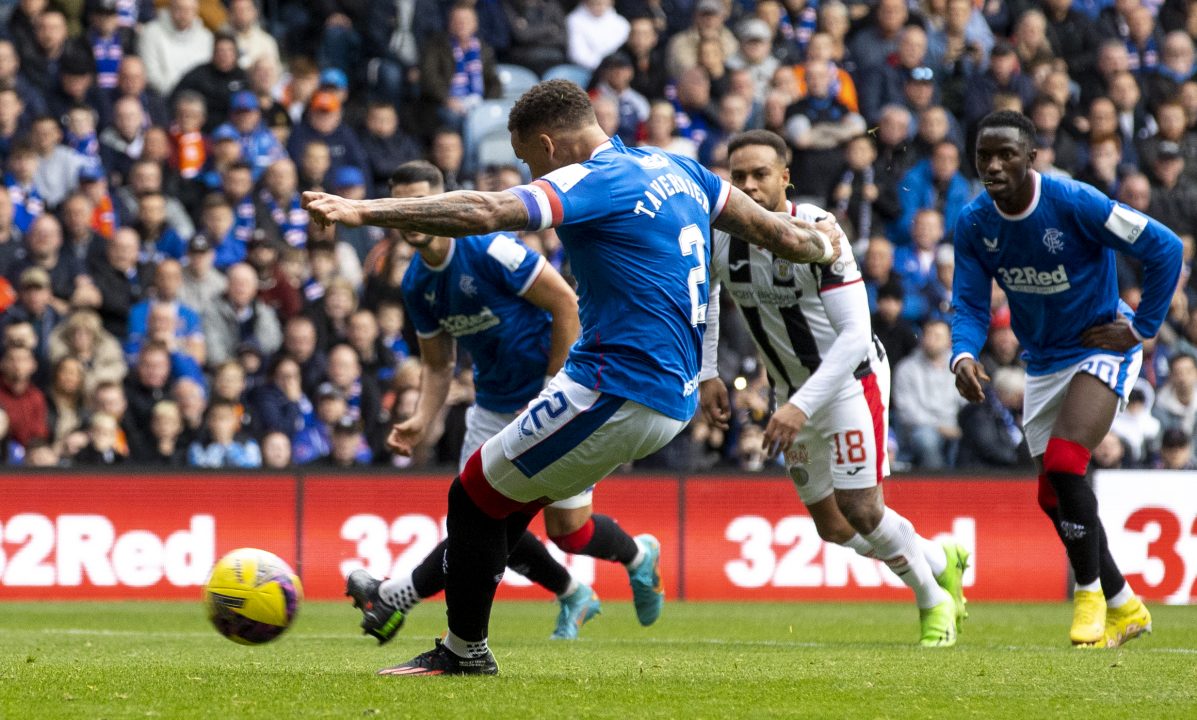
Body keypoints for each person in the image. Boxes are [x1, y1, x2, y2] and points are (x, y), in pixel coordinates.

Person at [302, 79, 840, 676]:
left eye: (527, 159)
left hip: (618, 384)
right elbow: (779, 234)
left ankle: (464, 651)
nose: (529, 170)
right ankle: (415, 603)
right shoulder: (681, 168)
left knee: (471, 493)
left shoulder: (587, 178)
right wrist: (825, 248)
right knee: (513, 503)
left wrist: (361, 210)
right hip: (664, 391)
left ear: (549, 143)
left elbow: (485, 211)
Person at [346, 160, 665, 644]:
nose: (413, 217)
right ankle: (566, 595)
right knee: (481, 518)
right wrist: (422, 418)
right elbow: (437, 364)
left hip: (555, 398)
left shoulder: (488, 248)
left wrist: (552, 390)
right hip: (491, 407)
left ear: (442, 203)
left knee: (567, 531)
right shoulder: (417, 284)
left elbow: (564, 302)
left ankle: (636, 558)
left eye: (422, 205)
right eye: (404, 207)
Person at [698, 130, 967, 648]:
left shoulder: (820, 234)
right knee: (834, 528)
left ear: (785, 177)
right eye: (739, 177)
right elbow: (709, 301)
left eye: (760, 175)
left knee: (863, 508)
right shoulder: (720, 235)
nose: (749, 186)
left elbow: (854, 337)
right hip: (790, 391)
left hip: (849, 382)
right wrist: (709, 371)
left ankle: (934, 602)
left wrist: (797, 406)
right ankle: (939, 558)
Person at [951, 110, 1183, 648]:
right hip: (1044, 361)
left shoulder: (1075, 201)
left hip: (1098, 348)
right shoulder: (974, 223)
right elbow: (967, 301)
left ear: (1032, 157)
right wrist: (962, 353)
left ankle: (1088, 594)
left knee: (1063, 462)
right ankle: (1126, 603)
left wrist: (1141, 328)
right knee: (1050, 494)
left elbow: (1165, 247)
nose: (993, 165)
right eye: (984, 155)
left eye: (1007, 153)